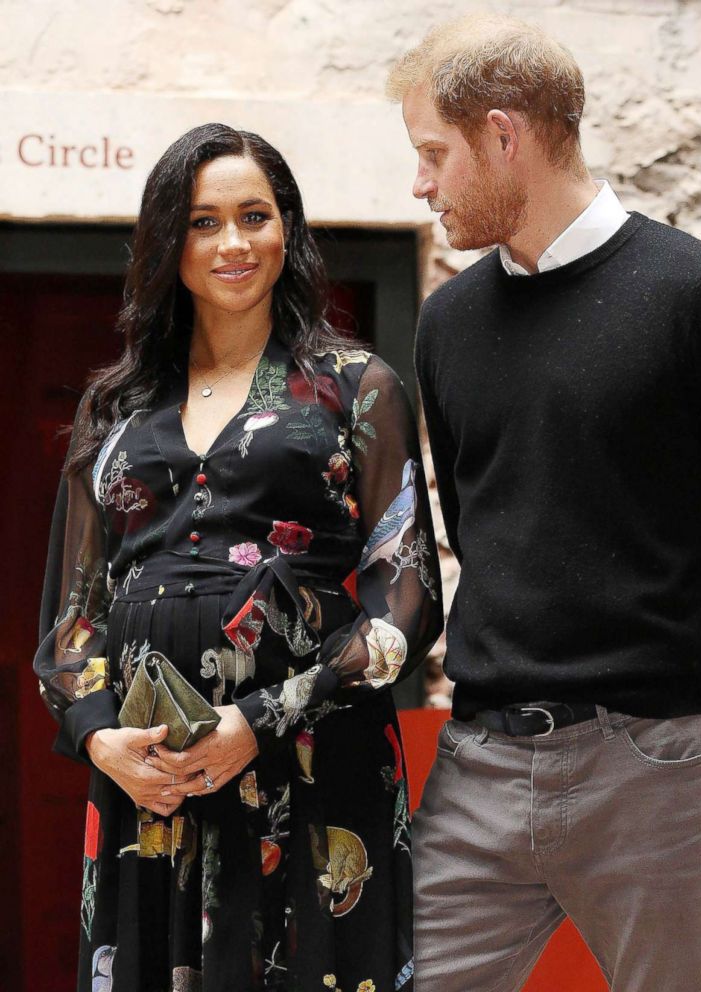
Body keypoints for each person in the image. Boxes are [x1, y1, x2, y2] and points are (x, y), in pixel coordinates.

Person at [387, 14, 701, 992]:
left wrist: (681, 705)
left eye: (432, 154)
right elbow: (477, 522)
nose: (420, 184)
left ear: (504, 135)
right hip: (481, 758)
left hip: (651, 763)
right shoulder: (448, 321)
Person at [35, 122, 442, 992]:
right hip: (152, 794)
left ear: (286, 229)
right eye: (202, 221)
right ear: (165, 242)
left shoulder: (354, 385)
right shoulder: (116, 407)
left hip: (311, 772)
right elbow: (71, 622)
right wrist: (102, 738)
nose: (232, 243)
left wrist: (258, 720)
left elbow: (405, 608)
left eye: (254, 216)